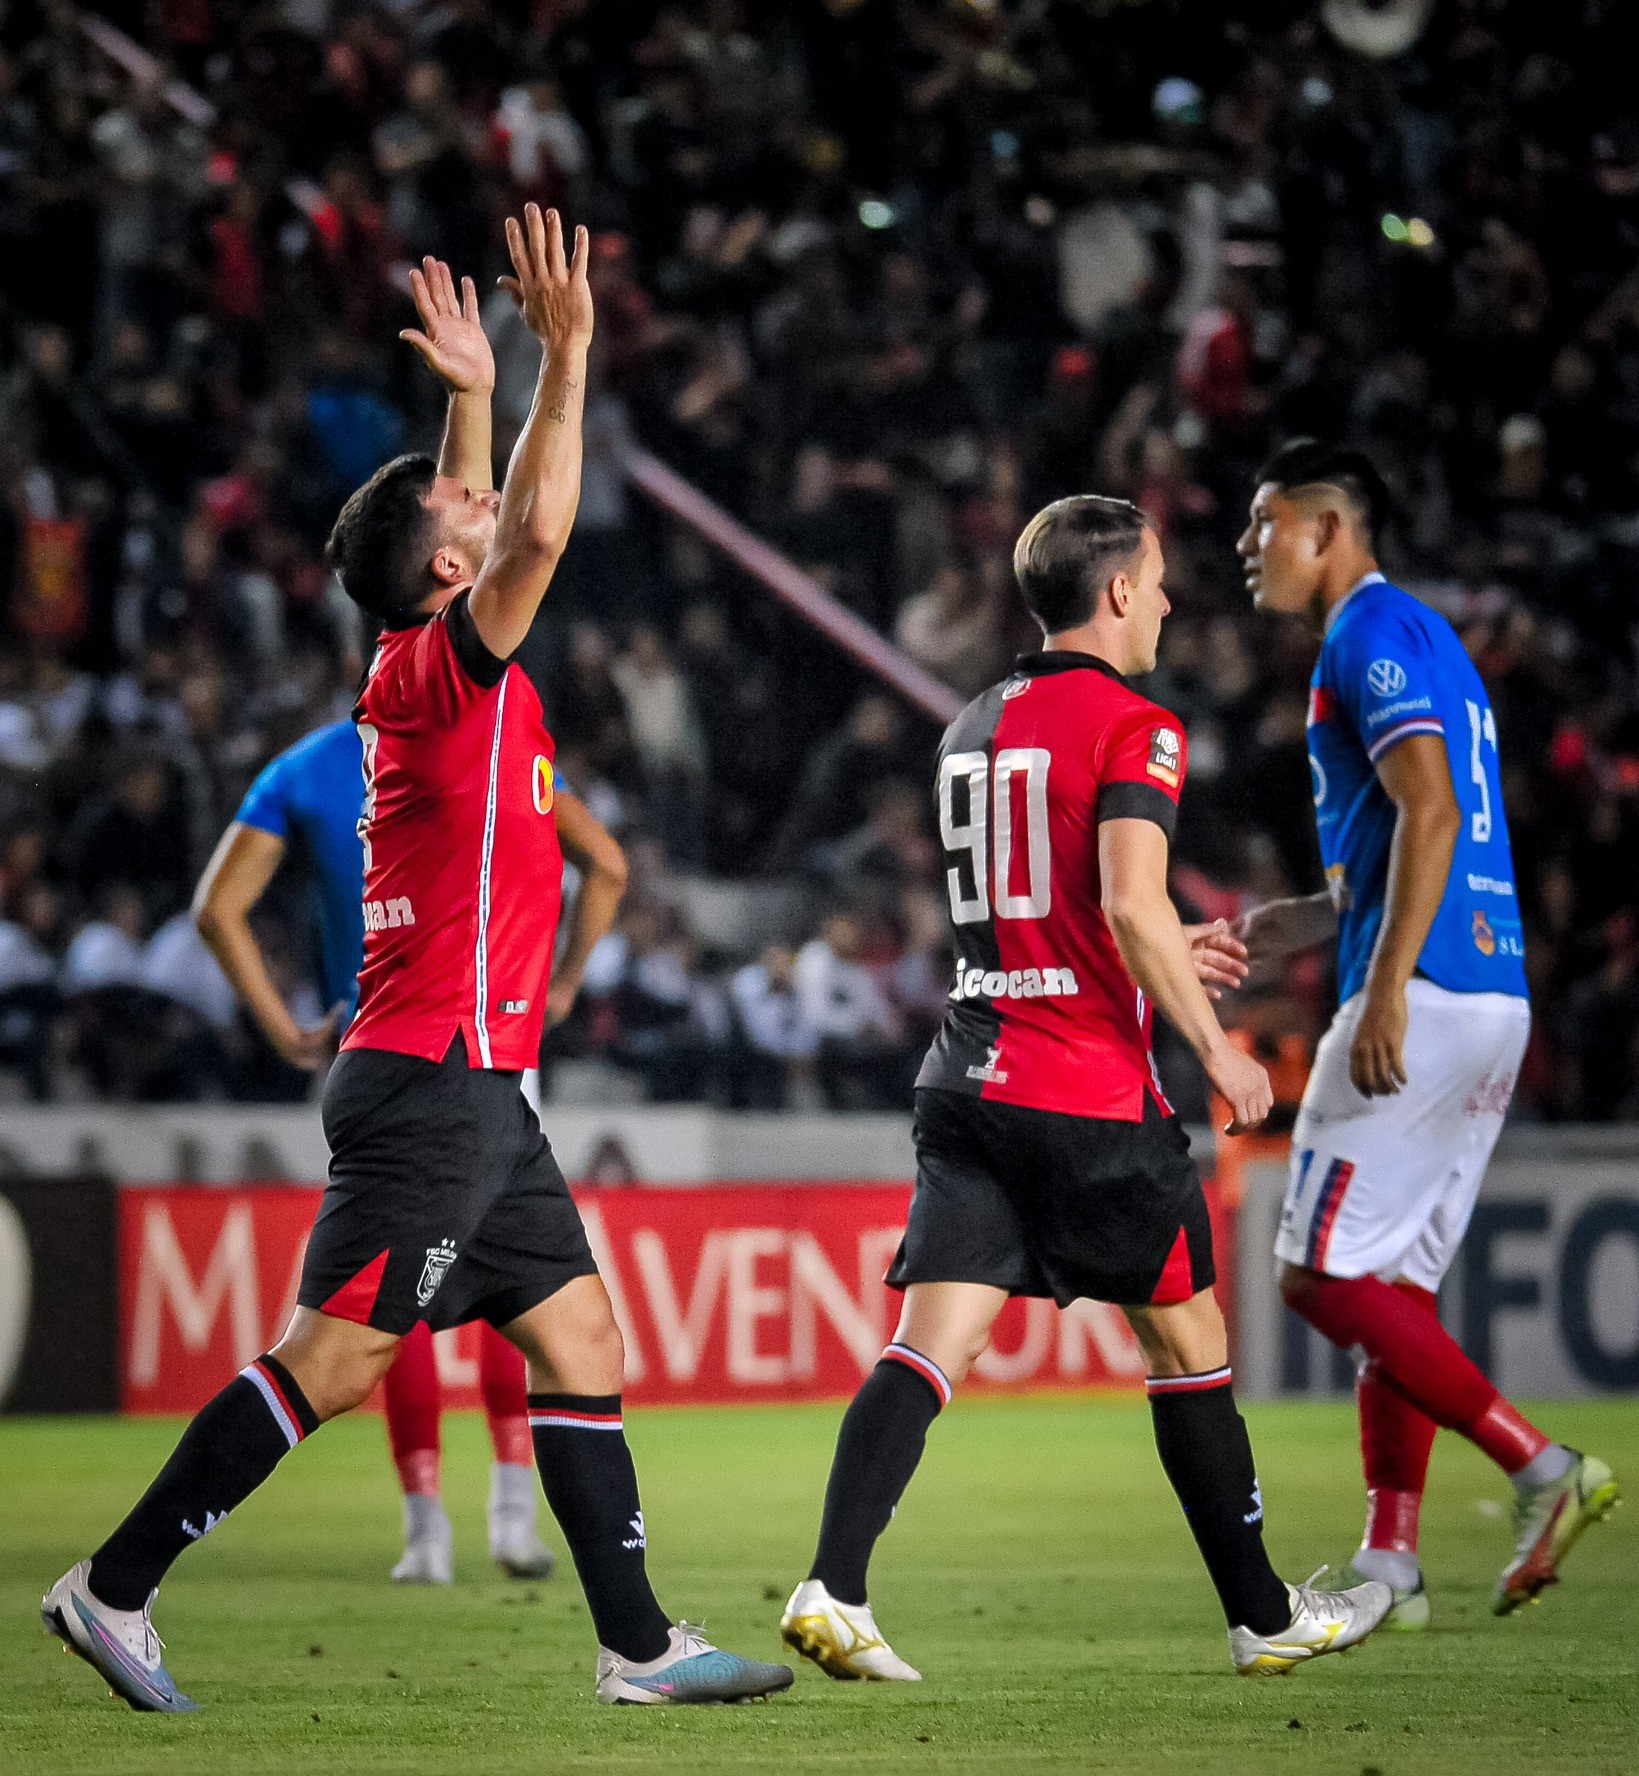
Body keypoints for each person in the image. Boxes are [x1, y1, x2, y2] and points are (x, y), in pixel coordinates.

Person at [43, 208, 792, 1712]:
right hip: (428, 1086)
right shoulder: (447, 668)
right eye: (459, 494)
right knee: (329, 1365)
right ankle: (111, 1588)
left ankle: (636, 1646)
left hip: (480, 1090)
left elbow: (487, 513)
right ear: (440, 562)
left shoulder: (417, 663)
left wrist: (473, 382)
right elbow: (536, 526)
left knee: (580, 1337)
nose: (480, 487)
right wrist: (561, 356)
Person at [780, 495, 1394, 1683]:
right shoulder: (1136, 726)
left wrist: (1166, 937)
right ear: (1115, 592)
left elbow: (1056, 907)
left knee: (928, 1345)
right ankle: (1263, 1616)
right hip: (1084, 1090)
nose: (1165, 599)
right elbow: (1119, 896)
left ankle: (833, 1586)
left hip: (966, 1076)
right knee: (1188, 1342)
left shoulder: (968, 722)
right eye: (1157, 580)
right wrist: (1213, 1045)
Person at [1235, 439, 1619, 1625]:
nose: (1248, 549)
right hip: (1486, 992)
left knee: (1312, 1271)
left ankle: (1539, 1465)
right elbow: (1384, 856)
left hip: (1431, 987)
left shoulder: (1368, 634)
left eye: (1266, 525)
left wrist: (1386, 987)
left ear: (1328, 529)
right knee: (1390, 1281)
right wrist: (1274, 930)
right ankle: (1390, 1558)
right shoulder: (1423, 643)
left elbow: (1431, 808)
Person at [193, 688, 624, 1582]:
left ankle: (425, 1527)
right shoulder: (480, 736)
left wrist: (281, 1027)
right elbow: (606, 864)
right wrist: (565, 984)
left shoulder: (302, 769)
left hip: (373, 1044)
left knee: (397, 1307)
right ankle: (512, 1516)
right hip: (486, 1034)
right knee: (527, 1300)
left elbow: (217, 907)